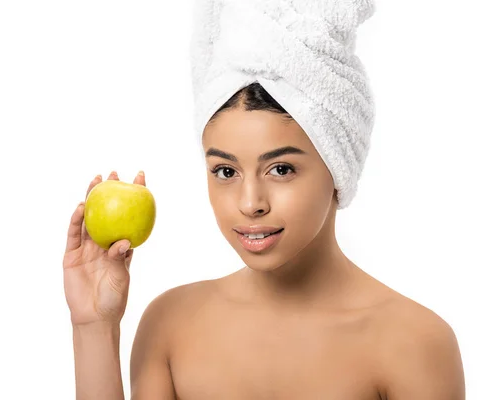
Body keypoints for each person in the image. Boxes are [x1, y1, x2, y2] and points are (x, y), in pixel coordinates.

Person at [63, 1, 466, 398]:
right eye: (226, 172)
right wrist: (94, 328)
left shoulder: (413, 344)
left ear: (338, 166)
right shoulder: (170, 325)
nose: (250, 203)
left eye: (281, 169)